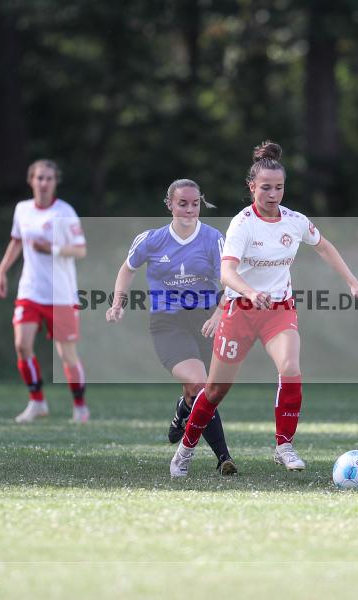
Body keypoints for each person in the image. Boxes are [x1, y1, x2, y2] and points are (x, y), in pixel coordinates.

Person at [169, 141, 358, 477]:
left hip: (279, 309)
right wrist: (251, 292)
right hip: (240, 310)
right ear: (251, 187)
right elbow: (226, 273)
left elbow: (324, 247)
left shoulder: (294, 222)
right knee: (215, 390)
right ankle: (186, 448)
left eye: (279, 187)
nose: (272, 194)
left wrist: (353, 282)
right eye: (265, 187)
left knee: (291, 367)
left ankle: (284, 445)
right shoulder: (243, 224)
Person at [106, 179, 237, 475]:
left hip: (205, 321)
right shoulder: (151, 240)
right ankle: (222, 458)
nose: (190, 210)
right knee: (201, 386)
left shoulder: (213, 238)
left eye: (195, 204)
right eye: (182, 204)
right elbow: (127, 270)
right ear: (169, 205)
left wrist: (218, 313)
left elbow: (230, 279)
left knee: (201, 393)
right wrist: (117, 303)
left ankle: (182, 411)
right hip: (168, 323)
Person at [0, 159, 90, 423]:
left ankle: (80, 407)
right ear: (31, 181)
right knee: (21, 345)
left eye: (49, 178)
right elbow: (16, 241)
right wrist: (2, 270)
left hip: (61, 295)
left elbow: (80, 249)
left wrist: (53, 249)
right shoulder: (22, 209)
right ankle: (37, 402)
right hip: (30, 291)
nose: (44, 183)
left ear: (55, 182)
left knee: (66, 355)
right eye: (40, 178)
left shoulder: (65, 212)